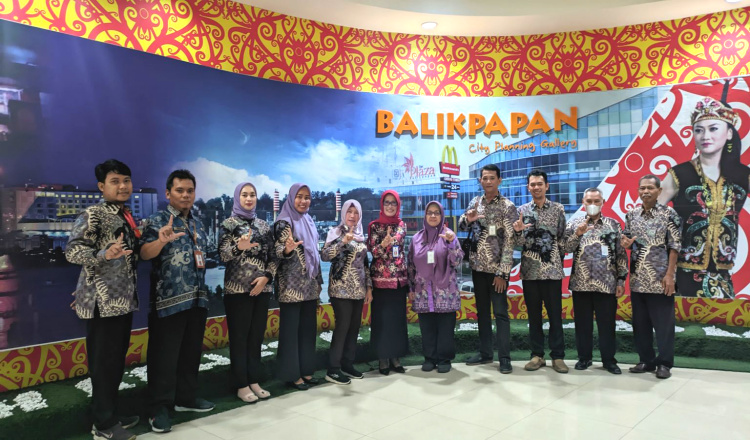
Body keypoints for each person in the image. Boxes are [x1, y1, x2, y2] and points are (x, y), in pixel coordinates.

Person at [66, 159, 140, 440]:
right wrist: (103, 254)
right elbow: (73, 251)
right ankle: (103, 425)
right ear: (101, 186)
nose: (122, 186)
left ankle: (111, 416)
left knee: (115, 362)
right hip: (103, 303)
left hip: (122, 301)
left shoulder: (125, 215)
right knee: (104, 364)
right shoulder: (93, 214)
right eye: (115, 181)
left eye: (126, 180)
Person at [140, 169, 214, 433]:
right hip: (168, 302)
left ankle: (186, 398)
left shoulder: (198, 223)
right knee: (164, 357)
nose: (185, 195)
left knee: (190, 353)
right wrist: (160, 241)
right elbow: (144, 253)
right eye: (179, 190)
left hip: (197, 298)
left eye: (190, 191)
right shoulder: (157, 220)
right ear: (168, 193)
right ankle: (158, 408)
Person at [658, 93, 750, 298]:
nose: (705, 136)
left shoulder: (743, 175)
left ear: (729, 133)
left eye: (713, 128)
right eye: (699, 130)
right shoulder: (679, 174)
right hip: (682, 273)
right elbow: (652, 218)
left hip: (723, 276)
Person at [218, 182, 277, 402]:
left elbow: (273, 257)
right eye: (244, 195)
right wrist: (238, 248)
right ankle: (241, 384)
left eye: (252, 194)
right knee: (239, 338)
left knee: (255, 338)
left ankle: (254, 380)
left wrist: (266, 278)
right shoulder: (228, 224)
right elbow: (222, 255)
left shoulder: (264, 226)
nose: (249, 198)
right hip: (237, 291)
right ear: (238, 197)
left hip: (262, 289)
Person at [458, 164, 518, 374]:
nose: (488, 181)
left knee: (500, 313)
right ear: (480, 181)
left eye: (492, 178)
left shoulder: (508, 207)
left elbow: (510, 241)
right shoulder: (475, 202)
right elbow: (462, 226)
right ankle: (485, 353)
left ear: (499, 180)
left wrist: (503, 273)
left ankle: (504, 358)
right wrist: (467, 219)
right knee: (482, 312)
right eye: (485, 178)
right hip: (477, 268)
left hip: (497, 272)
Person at [563, 188, 628, 374]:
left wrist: (621, 280)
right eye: (589, 201)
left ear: (603, 202)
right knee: (582, 325)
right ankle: (584, 358)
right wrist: (577, 234)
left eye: (596, 201)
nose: (592, 205)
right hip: (581, 283)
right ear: (583, 202)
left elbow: (621, 254)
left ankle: (609, 360)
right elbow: (565, 248)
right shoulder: (574, 224)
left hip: (607, 283)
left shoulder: (613, 224)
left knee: (607, 325)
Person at [622, 174, 681, 379]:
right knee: (640, 325)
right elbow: (627, 238)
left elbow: (675, 246)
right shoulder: (632, 214)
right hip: (638, 279)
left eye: (650, 188)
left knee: (663, 326)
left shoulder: (669, 214)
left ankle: (664, 363)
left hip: (660, 280)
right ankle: (646, 360)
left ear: (659, 191)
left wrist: (670, 275)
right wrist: (625, 243)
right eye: (642, 188)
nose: (645, 191)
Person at [513, 169, 568, 373]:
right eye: (533, 184)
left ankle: (558, 357)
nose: (536, 187)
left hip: (552, 272)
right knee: (534, 317)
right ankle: (537, 355)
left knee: (555, 316)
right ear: (528, 187)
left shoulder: (558, 209)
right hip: (530, 272)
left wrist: (555, 261)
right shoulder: (521, 211)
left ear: (547, 186)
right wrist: (518, 232)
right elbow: (518, 244)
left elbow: (562, 239)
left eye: (540, 184)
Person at [273, 183, 323, 390]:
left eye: (307, 197)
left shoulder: (309, 221)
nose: (303, 201)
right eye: (299, 197)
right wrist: (286, 250)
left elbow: (315, 255)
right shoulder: (283, 223)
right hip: (291, 287)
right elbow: (276, 251)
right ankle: (292, 375)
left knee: (307, 330)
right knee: (291, 333)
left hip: (309, 286)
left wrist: (319, 282)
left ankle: (306, 371)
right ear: (291, 198)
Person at [320, 200, 372, 385]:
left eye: (356, 212)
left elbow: (365, 264)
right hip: (340, 288)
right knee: (342, 327)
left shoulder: (360, 235)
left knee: (354, 328)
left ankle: (347, 364)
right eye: (349, 212)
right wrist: (342, 242)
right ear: (344, 213)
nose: (352, 215)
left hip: (358, 289)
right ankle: (333, 369)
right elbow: (324, 255)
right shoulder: (335, 233)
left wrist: (369, 288)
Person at [408, 202, 464, 373]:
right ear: (425, 215)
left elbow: (457, 261)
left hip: (445, 291)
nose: (433, 216)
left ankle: (444, 359)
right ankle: (430, 358)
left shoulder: (449, 235)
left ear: (442, 216)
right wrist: (411, 289)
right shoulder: (416, 239)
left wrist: (451, 243)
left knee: (445, 328)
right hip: (423, 291)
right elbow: (410, 265)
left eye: (437, 213)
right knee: (427, 327)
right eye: (430, 212)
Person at [367, 190, 409, 375]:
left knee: (397, 320)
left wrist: (387, 243)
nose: (390, 206)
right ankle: (383, 358)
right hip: (379, 281)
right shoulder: (374, 226)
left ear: (398, 205)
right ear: (382, 205)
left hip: (399, 280)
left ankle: (395, 357)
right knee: (382, 321)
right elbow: (373, 252)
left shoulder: (401, 225)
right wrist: (383, 245)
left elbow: (398, 242)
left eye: (393, 203)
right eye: (387, 202)